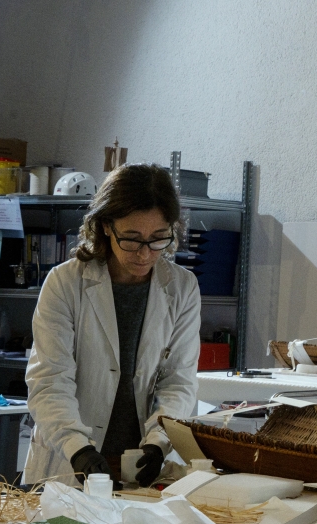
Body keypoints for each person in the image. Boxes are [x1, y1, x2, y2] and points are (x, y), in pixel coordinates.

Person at [24, 164, 201, 486]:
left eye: (158, 239)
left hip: (143, 462)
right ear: (106, 226)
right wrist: (78, 449)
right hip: (70, 461)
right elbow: (50, 380)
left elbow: (178, 380)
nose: (145, 254)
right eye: (132, 239)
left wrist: (159, 441)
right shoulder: (65, 283)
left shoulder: (182, 287)